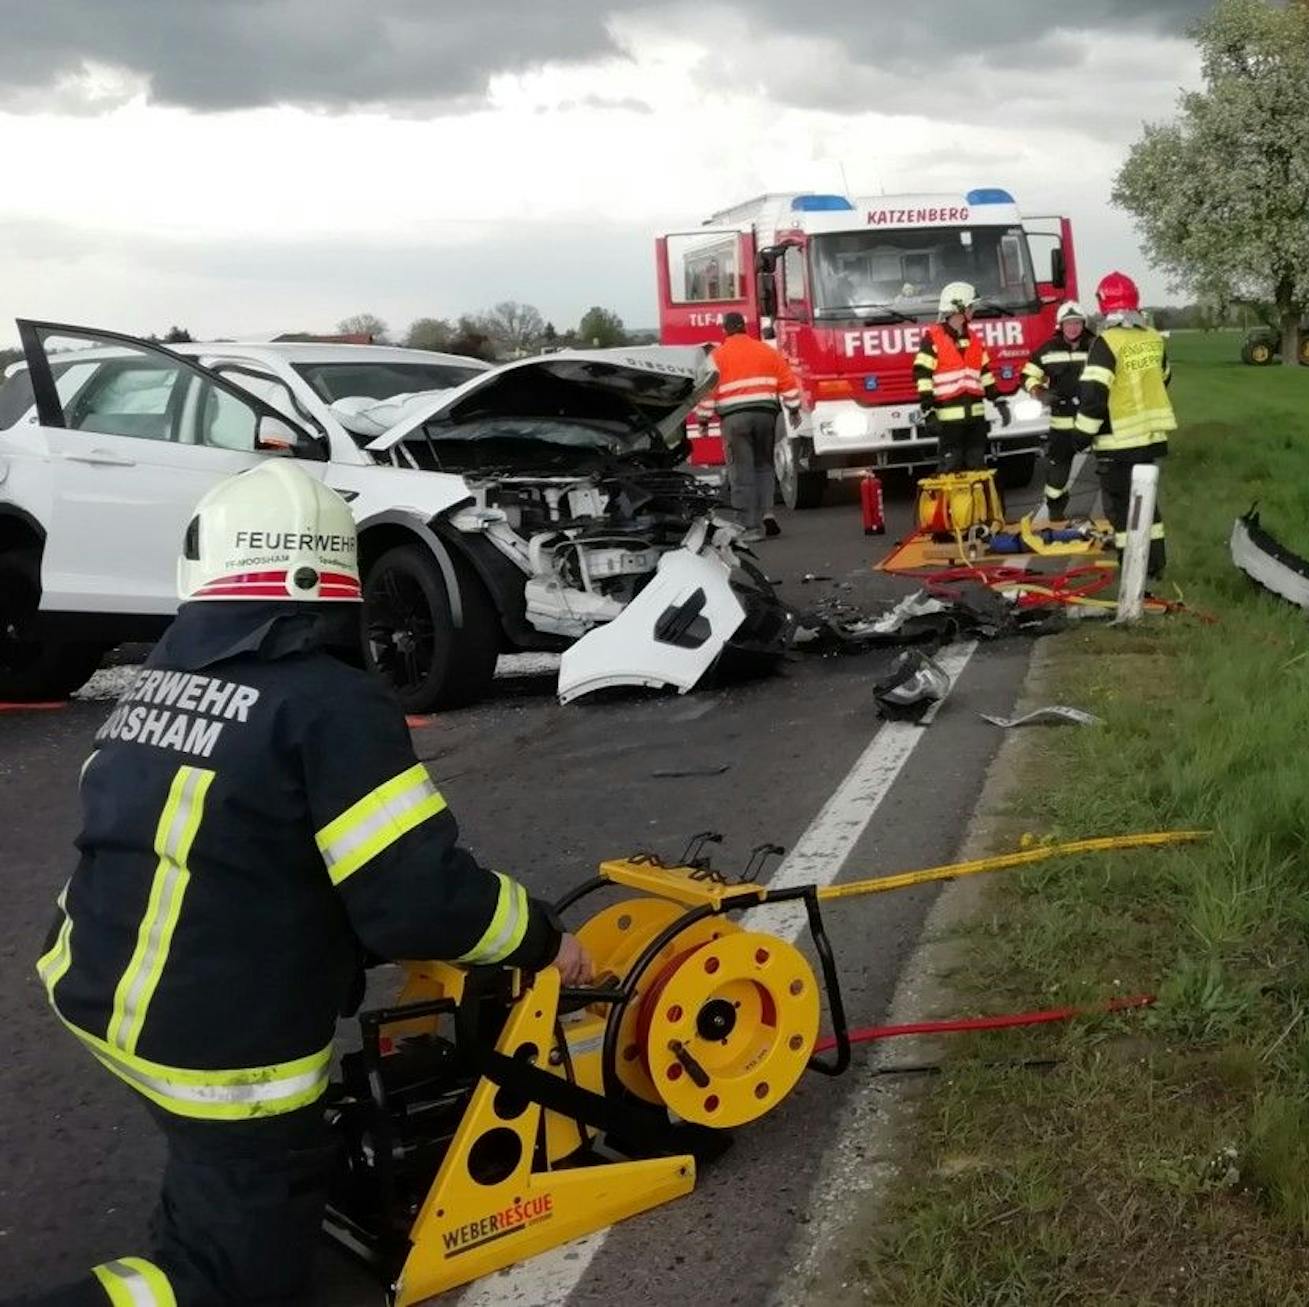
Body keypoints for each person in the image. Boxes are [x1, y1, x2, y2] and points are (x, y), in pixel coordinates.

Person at [24, 462, 592, 1307]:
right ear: (337, 576)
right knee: (227, 1282)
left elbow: (244, 847)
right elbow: (418, 898)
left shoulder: (153, 685)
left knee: (226, 1167)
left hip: (95, 987)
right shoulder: (331, 705)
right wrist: (544, 939)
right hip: (216, 1054)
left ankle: (237, 1179)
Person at [1075, 271, 1176, 576]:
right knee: (1148, 507)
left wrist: (1080, 435)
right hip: (1150, 438)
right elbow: (1165, 377)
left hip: (1117, 441)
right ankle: (1156, 567)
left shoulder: (1106, 343)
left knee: (1121, 510)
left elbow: (1094, 394)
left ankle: (1132, 571)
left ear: (1104, 304)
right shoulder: (1152, 338)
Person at [695, 311, 802, 542]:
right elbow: (788, 382)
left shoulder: (717, 356)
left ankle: (750, 527)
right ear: (744, 327)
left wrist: (702, 421)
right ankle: (767, 513)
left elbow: (707, 393)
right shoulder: (766, 351)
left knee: (741, 471)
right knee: (764, 466)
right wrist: (793, 410)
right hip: (765, 415)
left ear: (725, 330)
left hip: (735, 421)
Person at [912, 281, 1011, 474]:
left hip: (975, 420)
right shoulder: (933, 339)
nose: (973, 311)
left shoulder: (974, 339)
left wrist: (998, 400)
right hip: (949, 424)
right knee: (950, 470)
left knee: (977, 470)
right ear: (959, 309)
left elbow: (984, 374)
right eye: (970, 307)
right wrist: (928, 410)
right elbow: (922, 375)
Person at [1021, 300, 1098, 520]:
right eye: (1068, 323)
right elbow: (1027, 374)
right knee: (1058, 473)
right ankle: (1056, 512)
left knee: (1109, 467)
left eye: (1077, 323)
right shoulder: (1047, 350)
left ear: (1083, 324)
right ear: (1060, 326)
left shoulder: (1096, 347)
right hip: (1062, 422)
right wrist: (1038, 392)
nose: (1073, 328)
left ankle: (1116, 510)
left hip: (1093, 418)